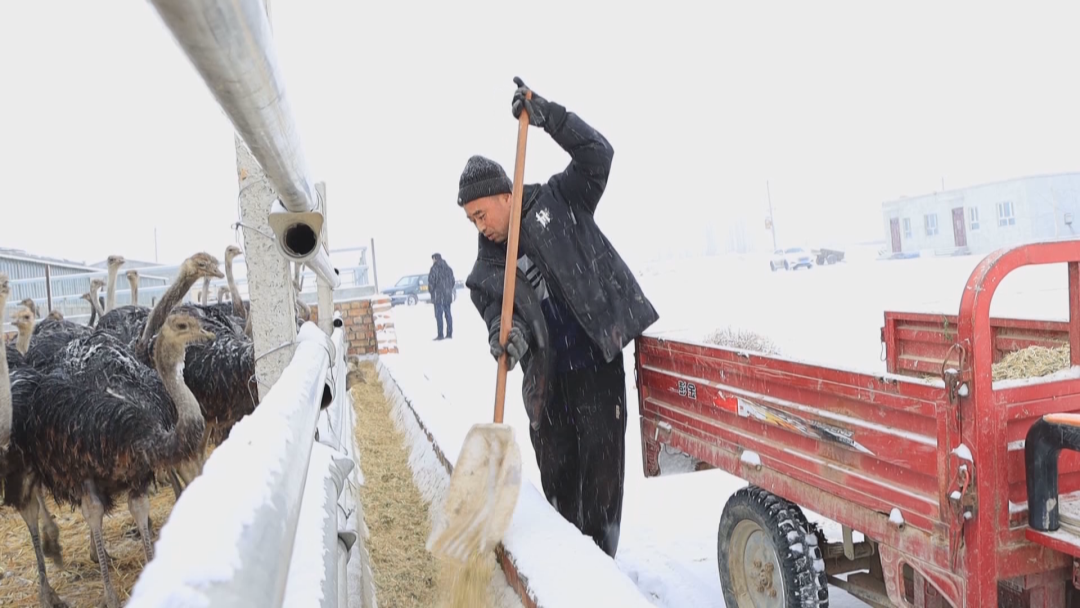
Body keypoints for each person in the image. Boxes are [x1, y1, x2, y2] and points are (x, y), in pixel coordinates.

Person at [459, 77, 659, 558]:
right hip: (547, 386)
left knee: (603, 483)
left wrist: (549, 115)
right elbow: (493, 311)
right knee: (559, 486)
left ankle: (600, 574)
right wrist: (504, 336)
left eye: (481, 213)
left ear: (504, 195)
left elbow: (598, 155)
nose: (479, 226)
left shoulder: (558, 200)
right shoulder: (487, 268)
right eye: (471, 220)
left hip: (596, 365)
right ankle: (562, 579)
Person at [428, 253, 455, 340]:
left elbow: (431, 283)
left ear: (435, 259)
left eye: (433, 259)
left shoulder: (434, 269)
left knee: (438, 315)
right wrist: (448, 289)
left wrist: (432, 291)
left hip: (438, 296)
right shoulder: (448, 269)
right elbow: (453, 282)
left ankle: (440, 335)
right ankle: (449, 334)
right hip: (447, 295)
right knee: (448, 314)